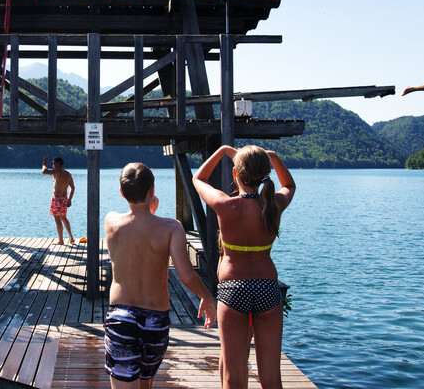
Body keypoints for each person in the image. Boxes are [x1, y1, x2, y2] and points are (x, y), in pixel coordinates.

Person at [104, 163, 217, 387]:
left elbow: (136, 227)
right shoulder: (171, 228)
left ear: (122, 192)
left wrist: (147, 213)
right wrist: (206, 296)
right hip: (155, 321)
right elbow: (187, 276)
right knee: (147, 382)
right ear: (151, 191)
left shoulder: (111, 221)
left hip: (121, 317)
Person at [192, 145, 295, 389]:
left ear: (236, 174)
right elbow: (289, 185)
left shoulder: (226, 205)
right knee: (271, 378)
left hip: (233, 290)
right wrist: (273, 156)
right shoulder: (274, 204)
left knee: (234, 379)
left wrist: (222, 150)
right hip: (268, 290)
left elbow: (199, 178)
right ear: (264, 174)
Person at [42, 156, 75, 245]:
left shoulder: (57, 171)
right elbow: (72, 187)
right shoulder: (68, 174)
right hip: (64, 199)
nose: (52, 166)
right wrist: (69, 199)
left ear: (57, 164)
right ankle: (71, 236)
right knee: (63, 218)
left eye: (53, 164)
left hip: (57, 199)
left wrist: (44, 163)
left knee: (57, 219)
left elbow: (44, 171)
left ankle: (61, 240)